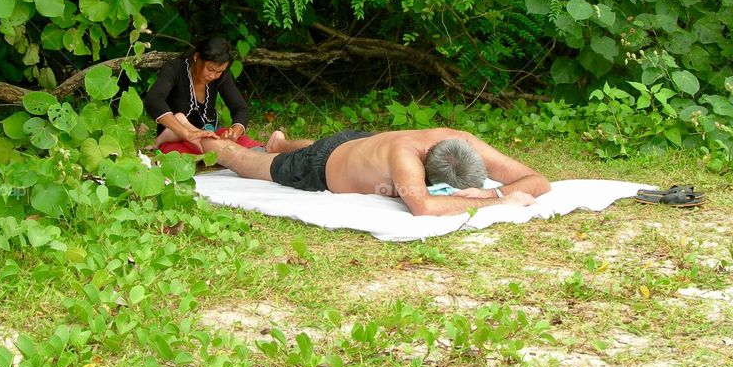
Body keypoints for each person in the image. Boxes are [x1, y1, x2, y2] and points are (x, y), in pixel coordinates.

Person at [209, 128, 551, 216]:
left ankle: (280, 143)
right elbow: (425, 207)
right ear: (424, 170)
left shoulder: (462, 140)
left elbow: (539, 180)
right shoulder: (406, 160)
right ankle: (193, 134)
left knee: (319, 144)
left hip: (358, 144)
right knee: (242, 161)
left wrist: (496, 190)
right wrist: (499, 204)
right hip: (319, 167)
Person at [144, 36, 265, 155]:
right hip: (177, 137)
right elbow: (154, 100)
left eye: (219, 71)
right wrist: (187, 133)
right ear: (196, 57)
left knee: (251, 149)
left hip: (210, 135)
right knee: (188, 158)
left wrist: (234, 133)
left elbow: (240, 108)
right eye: (210, 69)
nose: (213, 76)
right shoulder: (175, 69)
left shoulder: (220, 75)